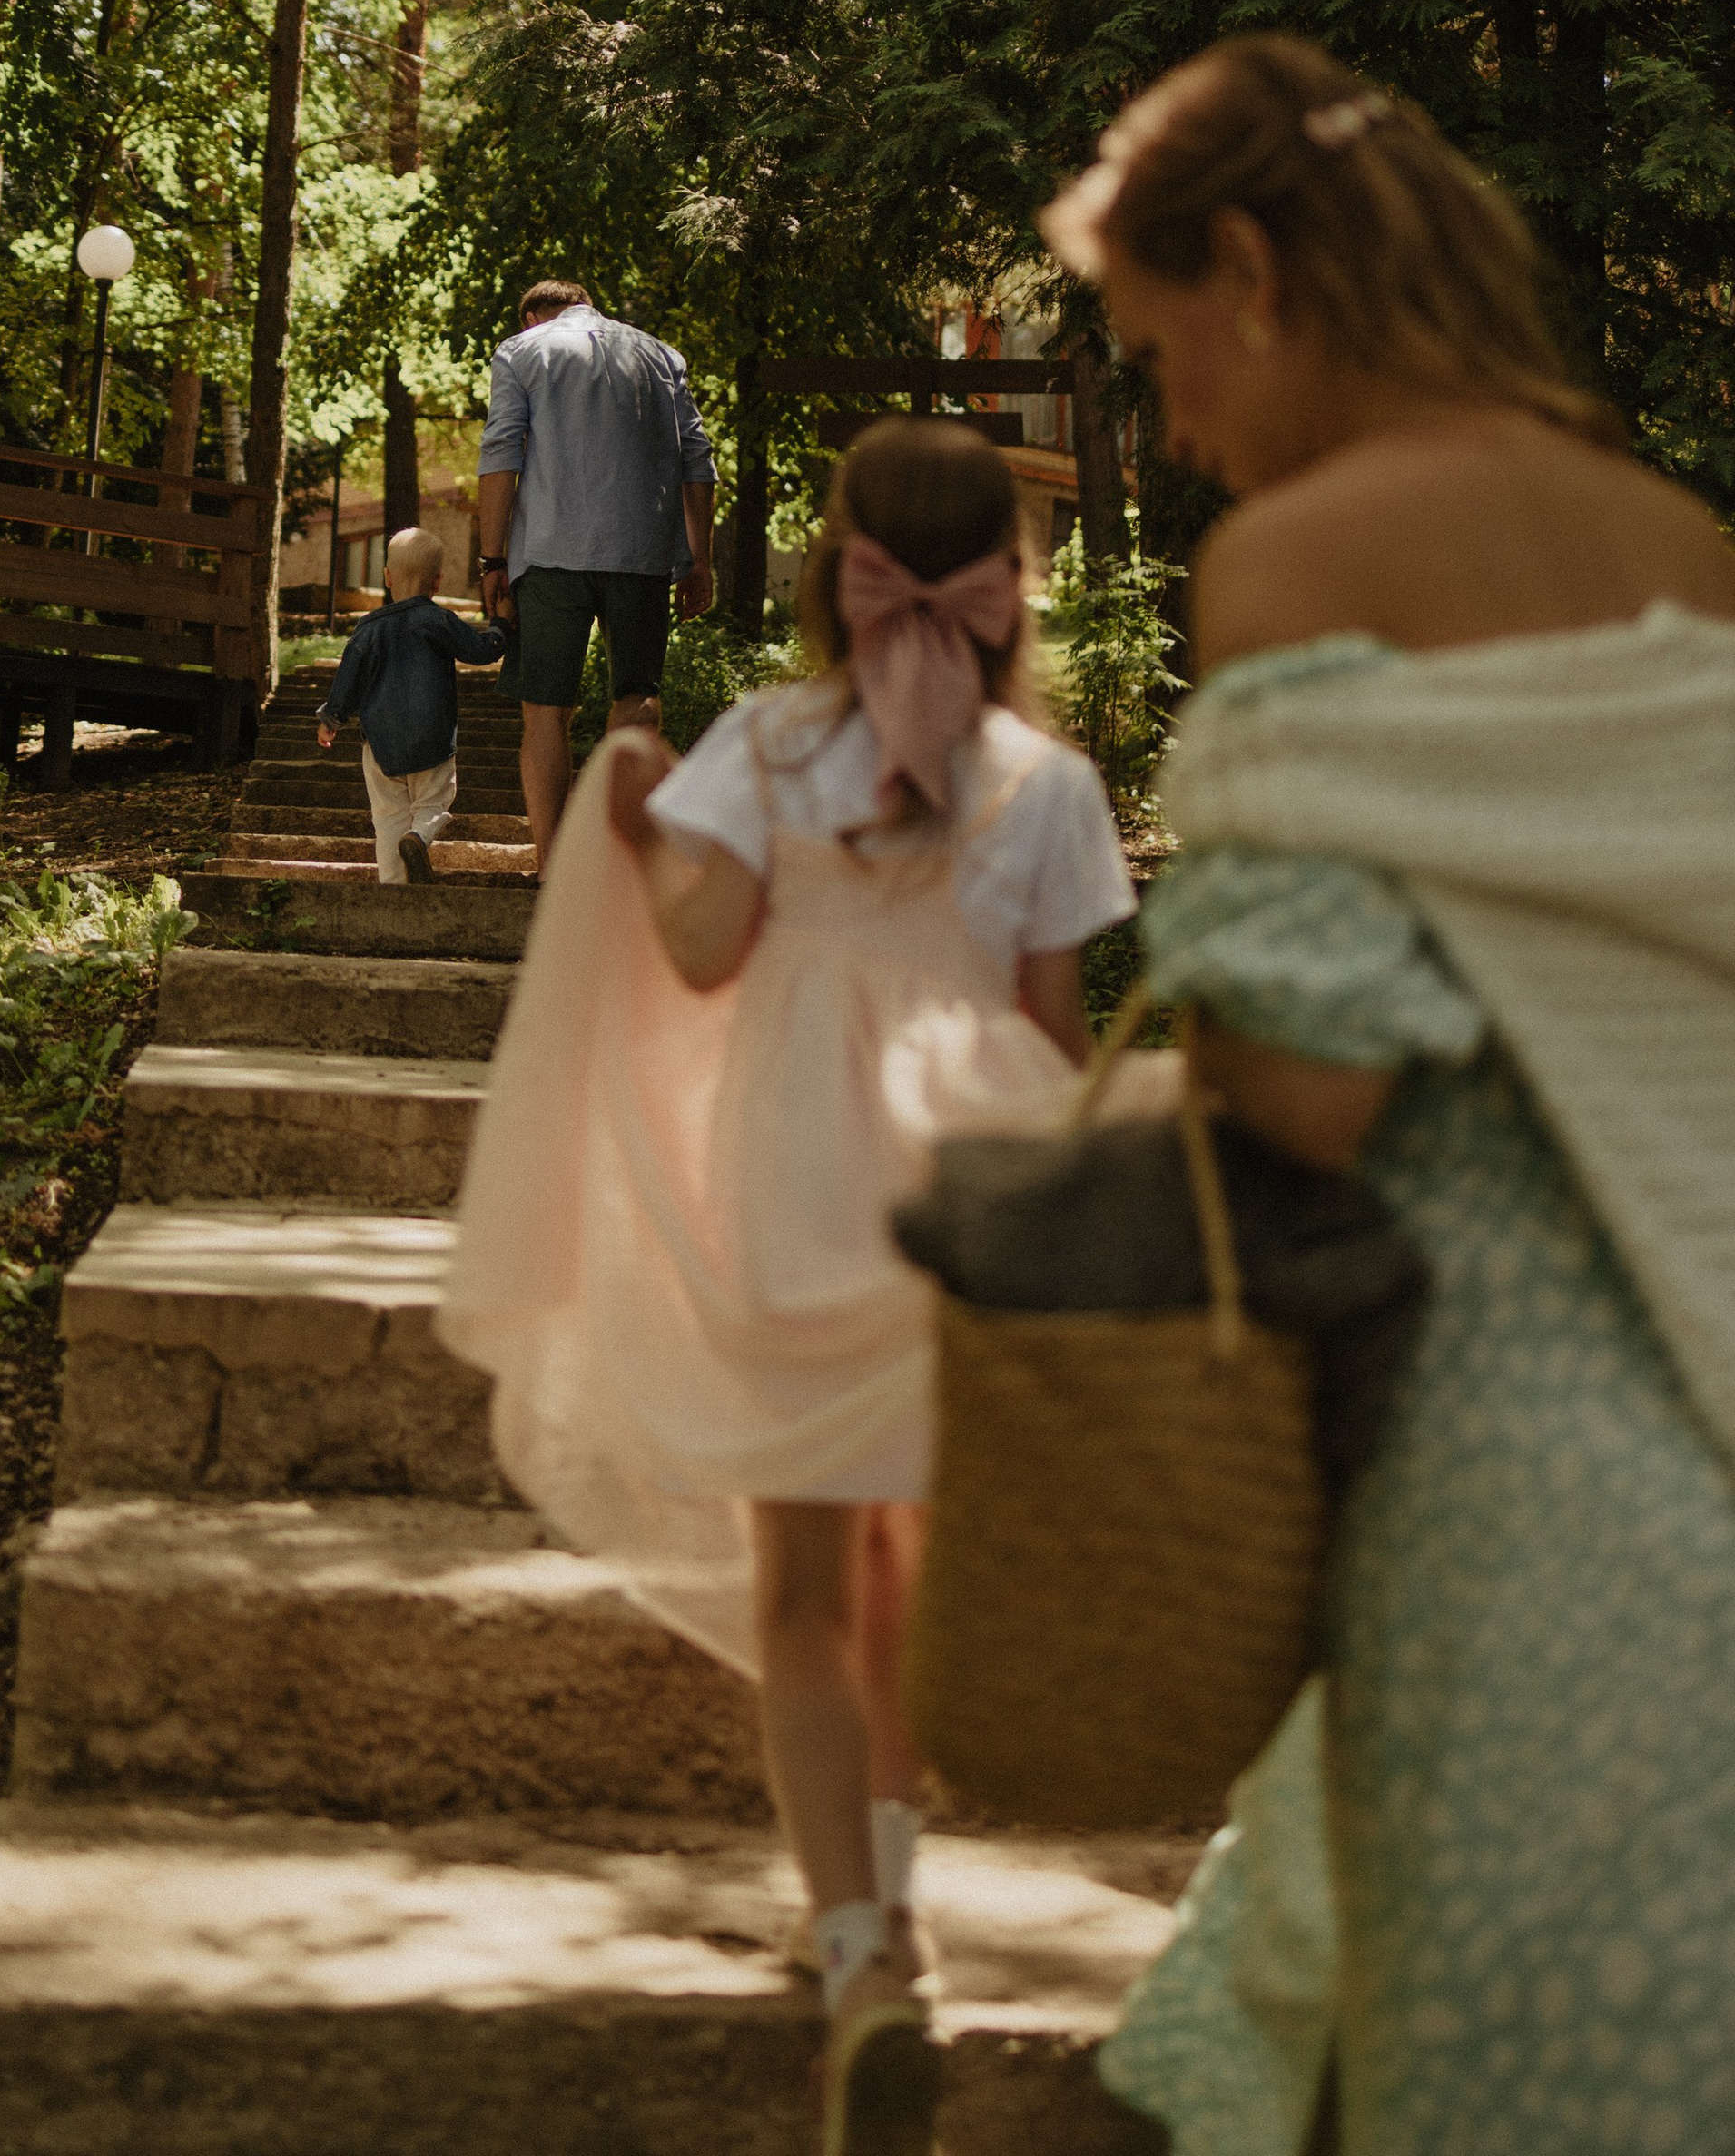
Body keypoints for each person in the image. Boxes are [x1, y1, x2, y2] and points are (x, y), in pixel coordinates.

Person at [1033, 34, 1735, 2156]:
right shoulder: (1681, 544)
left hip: (1500, 1478)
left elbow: (1312, 1093)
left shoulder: (1300, 558)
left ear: (1249, 265)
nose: (1172, 425)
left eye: (1160, 352)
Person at [442, 418, 1136, 2156]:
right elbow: (1055, 1035)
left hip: (796, 1189)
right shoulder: (1042, 785)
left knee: (809, 1594)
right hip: (963, 1194)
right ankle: (900, 1912)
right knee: (910, 1572)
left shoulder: (763, 745)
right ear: (1003, 583)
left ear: (837, 567)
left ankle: (853, 1958)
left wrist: (625, 806)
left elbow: (699, 952)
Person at [474, 278, 716, 865]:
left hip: (551, 553)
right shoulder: (661, 355)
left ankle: (554, 867)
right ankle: (617, 862)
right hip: (641, 553)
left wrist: (492, 560)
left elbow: (502, 449)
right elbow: (696, 456)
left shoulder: (521, 350)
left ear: (533, 315)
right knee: (637, 698)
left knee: (545, 707)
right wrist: (699, 560)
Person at [315, 527, 506, 886]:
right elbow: (482, 652)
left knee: (387, 816)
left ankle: (392, 884)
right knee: (434, 800)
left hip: (381, 745)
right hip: (431, 740)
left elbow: (349, 678)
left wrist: (332, 717)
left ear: (387, 577)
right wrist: (501, 626)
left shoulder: (368, 630)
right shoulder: (438, 620)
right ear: (437, 581)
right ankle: (419, 836)